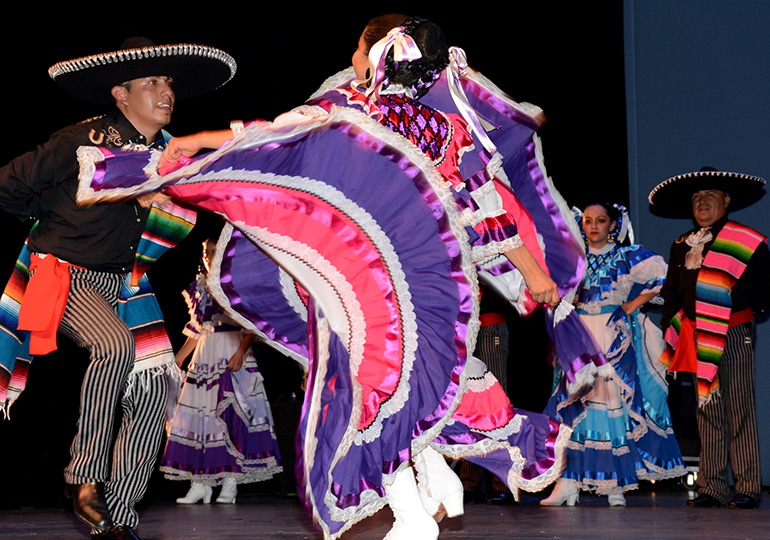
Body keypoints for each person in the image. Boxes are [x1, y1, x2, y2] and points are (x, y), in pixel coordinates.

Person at [76, 16, 606, 540]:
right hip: (431, 285)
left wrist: (198, 142)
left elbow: (272, 135)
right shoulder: (448, 129)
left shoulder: (354, 110)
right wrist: (534, 274)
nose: (351, 58)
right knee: (408, 383)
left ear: (377, 57)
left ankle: (414, 514)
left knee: (369, 389)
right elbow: (488, 212)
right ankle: (435, 482)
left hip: (370, 285)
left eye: (357, 48)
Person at [0, 38, 235, 540]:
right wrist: (50, 221)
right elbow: (9, 185)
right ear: (121, 93)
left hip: (125, 283)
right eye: (151, 81)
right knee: (114, 346)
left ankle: (117, 519)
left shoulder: (171, 154)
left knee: (153, 387)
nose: (166, 91)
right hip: (65, 274)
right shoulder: (80, 141)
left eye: (168, 81)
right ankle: (84, 477)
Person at [542, 202, 685, 506]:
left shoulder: (626, 256)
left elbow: (666, 277)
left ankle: (614, 483)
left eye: (601, 220)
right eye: (588, 220)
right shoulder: (572, 257)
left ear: (612, 225)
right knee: (574, 406)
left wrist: (631, 306)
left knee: (609, 403)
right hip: (576, 337)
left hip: (610, 336)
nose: (593, 226)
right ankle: (568, 483)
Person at [650, 167, 770, 509]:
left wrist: (747, 311)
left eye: (710, 196)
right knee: (706, 410)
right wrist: (673, 324)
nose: (702, 202)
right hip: (696, 336)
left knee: (739, 409)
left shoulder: (745, 240)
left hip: (733, 333)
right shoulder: (681, 244)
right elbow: (671, 291)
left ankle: (747, 487)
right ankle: (712, 488)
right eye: (696, 198)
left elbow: (765, 286)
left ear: (726, 200)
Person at [160, 238, 283, 504]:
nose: (209, 256)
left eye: (214, 251)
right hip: (205, 353)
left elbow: (254, 324)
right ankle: (200, 484)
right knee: (199, 417)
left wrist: (241, 351)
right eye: (206, 252)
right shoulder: (199, 286)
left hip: (231, 349)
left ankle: (230, 482)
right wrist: (179, 358)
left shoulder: (236, 283)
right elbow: (197, 328)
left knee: (231, 414)